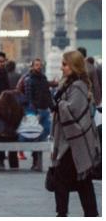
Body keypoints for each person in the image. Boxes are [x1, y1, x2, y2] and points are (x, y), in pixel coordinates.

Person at [51, 50, 100, 217]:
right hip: (71, 141)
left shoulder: (78, 86)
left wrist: (60, 105)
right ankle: (90, 213)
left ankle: (63, 214)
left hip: (74, 142)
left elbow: (73, 111)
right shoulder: (68, 84)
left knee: (62, 178)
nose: (61, 68)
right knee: (82, 180)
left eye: (64, 64)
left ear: (73, 66)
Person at [24, 58, 52, 171]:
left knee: (44, 134)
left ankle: (39, 159)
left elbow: (48, 93)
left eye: (40, 65)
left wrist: (52, 106)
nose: (39, 67)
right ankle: (35, 160)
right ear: (32, 66)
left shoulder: (44, 78)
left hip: (45, 110)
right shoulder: (29, 80)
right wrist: (33, 111)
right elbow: (28, 97)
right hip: (36, 111)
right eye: (36, 65)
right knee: (35, 136)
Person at [0, 90, 23, 171]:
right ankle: (14, 165)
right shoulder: (17, 109)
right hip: (12, 136)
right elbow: (18, 122)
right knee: (12, 142)